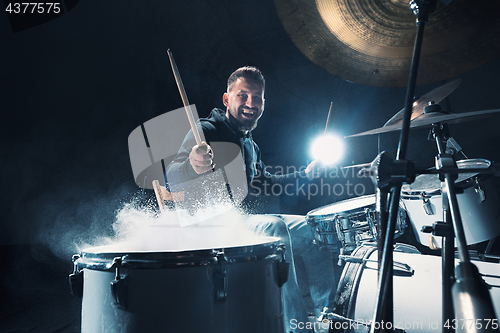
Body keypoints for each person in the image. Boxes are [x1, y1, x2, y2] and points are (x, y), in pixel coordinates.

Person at [166, 66, 336, 333]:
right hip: (209, 227)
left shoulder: (249, 144)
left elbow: (266, 183)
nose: (250, 103)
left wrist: (305, 175)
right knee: (274, 229)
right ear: (227, 99)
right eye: (242, 95)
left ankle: (327, 320)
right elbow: (171, 177)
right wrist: (191, 164)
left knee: (313, 227)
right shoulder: (205, 130)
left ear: (263, 103)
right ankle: (295, 327)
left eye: (257, 97)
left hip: (242, 222)